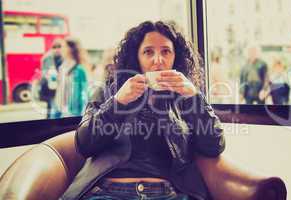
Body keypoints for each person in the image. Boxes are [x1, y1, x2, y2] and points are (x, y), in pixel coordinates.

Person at [61, 21, 225, 200]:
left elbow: (214, 146)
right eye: (148, 52)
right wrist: (118, 102)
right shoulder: (110, 91)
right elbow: (84, 145)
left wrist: (194, 97)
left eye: (166, 51)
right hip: (108, 192)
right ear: (136, 57)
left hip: (166, 193)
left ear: (175, 57)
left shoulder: (185, 98)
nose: (158, 60)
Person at [54, 37, 88, 117]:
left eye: (63, 46)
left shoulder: (79, 70)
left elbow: (84, 94)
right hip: (60, 111)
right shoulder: (62, 67)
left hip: (73, 113)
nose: (60, 49)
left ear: (71, 49)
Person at [39, 38, 63, 118]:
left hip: (59, 87)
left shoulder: (63, 57)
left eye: (59, 47)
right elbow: (46, 73)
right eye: (54, 47)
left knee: (53, 107)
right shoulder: (48, 58)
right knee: (52, 106)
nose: (57, 49)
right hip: (51, 87)